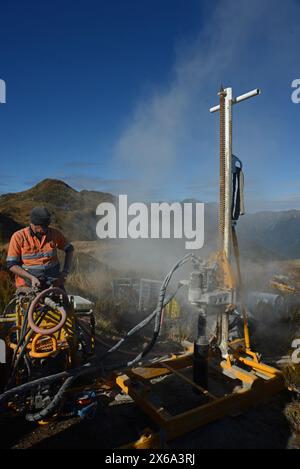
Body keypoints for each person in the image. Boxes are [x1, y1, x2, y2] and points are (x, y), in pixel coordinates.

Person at [6, 207, 74, 290]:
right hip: (28, 284)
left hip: (54, 282)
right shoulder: (18, 237)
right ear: (33, 224)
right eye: (43, 226)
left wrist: (65, 272)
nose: (46, 229)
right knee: (31, 303)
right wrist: (31, 278)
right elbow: (12, 265)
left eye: (47, 226)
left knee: (63, 302)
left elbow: (69, 249)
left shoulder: (55, 233)